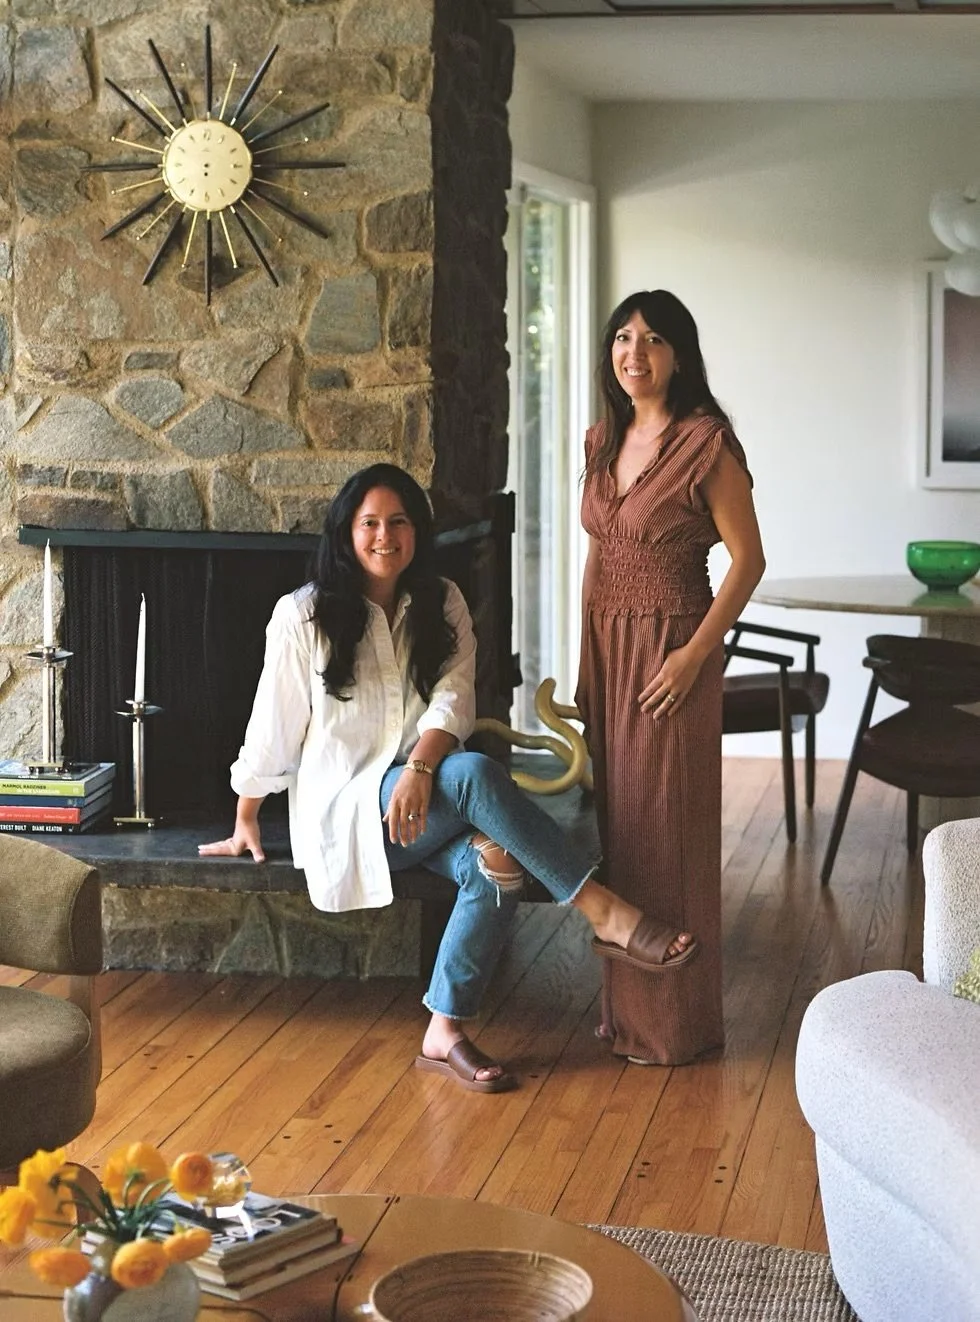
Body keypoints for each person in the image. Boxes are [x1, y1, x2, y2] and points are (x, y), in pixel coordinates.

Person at [201, 462, 689, 1092]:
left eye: (397, 522)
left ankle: (444, 1030)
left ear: (417, 532)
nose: (384, 536)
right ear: (346, 533)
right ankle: (602, 909)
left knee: (498, 864)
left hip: (428, 806)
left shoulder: (444, 602)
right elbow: (272, 724)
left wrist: (420, 769)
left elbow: (454, 701)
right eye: (369, 523)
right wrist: (246, 815)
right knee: (476, 772)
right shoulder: (303, 616)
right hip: (354, 814)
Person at [576, 290, 766, 1066]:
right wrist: (586, 662)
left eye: (653, 339)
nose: (635, 352)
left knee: (667, 830)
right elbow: (597, 553)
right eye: (623, 337)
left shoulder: (706, 444)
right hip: (609, 651)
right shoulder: (600, 437)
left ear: (678, 355)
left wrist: (695, 656)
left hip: (670, 653)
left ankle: (676, 1024)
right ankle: (624, 1014)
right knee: (618, 831)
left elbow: (749, 561)